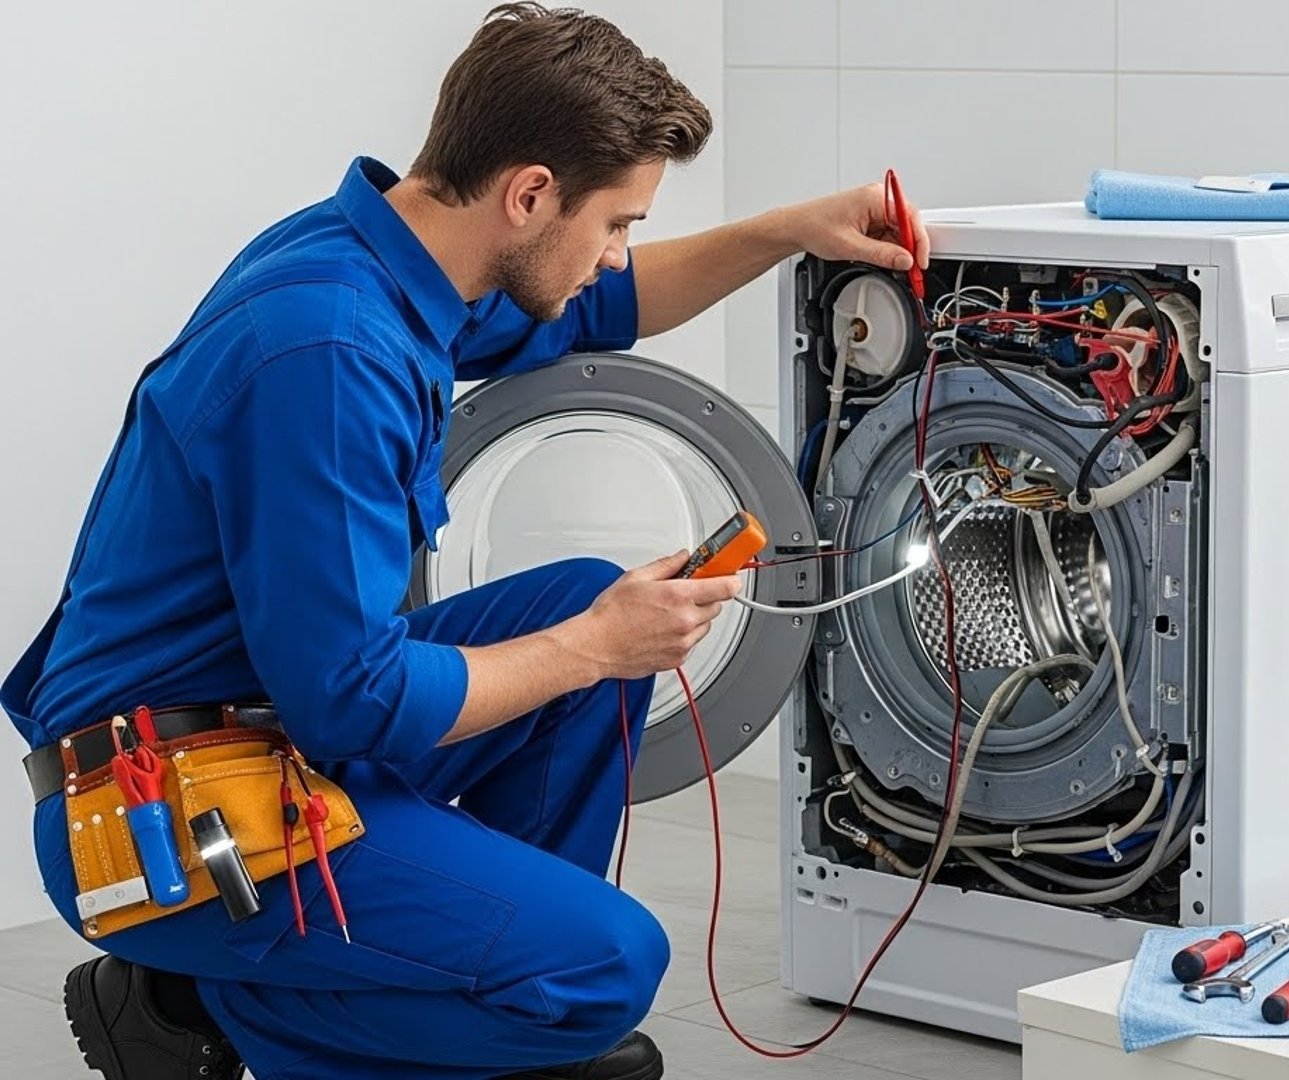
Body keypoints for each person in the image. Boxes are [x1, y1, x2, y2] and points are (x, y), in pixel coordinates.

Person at [2, 5, 928, 1079]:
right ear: (530, 193)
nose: (617, 251)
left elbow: (601, 307)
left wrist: (786, 232)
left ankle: (483, 990)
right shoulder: (332, 352)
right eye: (617, 221)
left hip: (261, 731)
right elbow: (351, 700)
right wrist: (598, 646)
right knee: (608, 963)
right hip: (166, 811)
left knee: (578, 597)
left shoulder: (390, 260)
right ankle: (192, 1007)